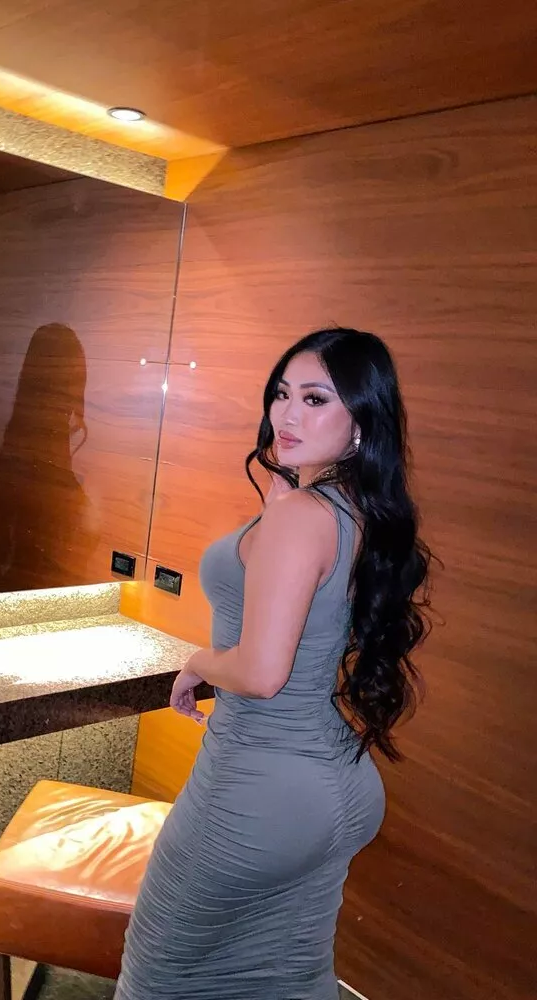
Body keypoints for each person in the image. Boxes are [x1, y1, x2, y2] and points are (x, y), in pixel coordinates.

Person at [115, 327, 435, 1000]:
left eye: (315, 399)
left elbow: (262, 674)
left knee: (157, 977)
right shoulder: (353, 509)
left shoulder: (300, 515)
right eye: (282, 394)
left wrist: (200, 659)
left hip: (257, 789)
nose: (287, 415)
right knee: (286, 976)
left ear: (360, 424)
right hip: (339, 783)